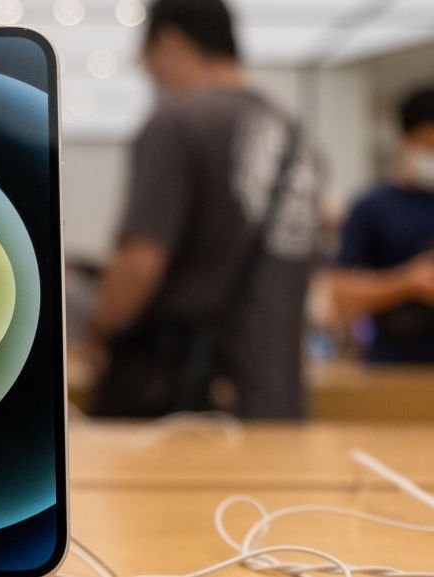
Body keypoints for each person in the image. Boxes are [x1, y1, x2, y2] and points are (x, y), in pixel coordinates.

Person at [88, 0, 324, 419]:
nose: (147, 71)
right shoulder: (295, 136)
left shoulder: (176, 124)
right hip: (277, 397)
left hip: (185, 403)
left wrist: (97, 329)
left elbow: (140, 262)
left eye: (145, 57)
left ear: (170, 41)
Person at [327, 88, 434, 363]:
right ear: (405, 141)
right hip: (393, 367)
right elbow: (340, 294)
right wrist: (409, 282)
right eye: (429, 146)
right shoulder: (372, 207)